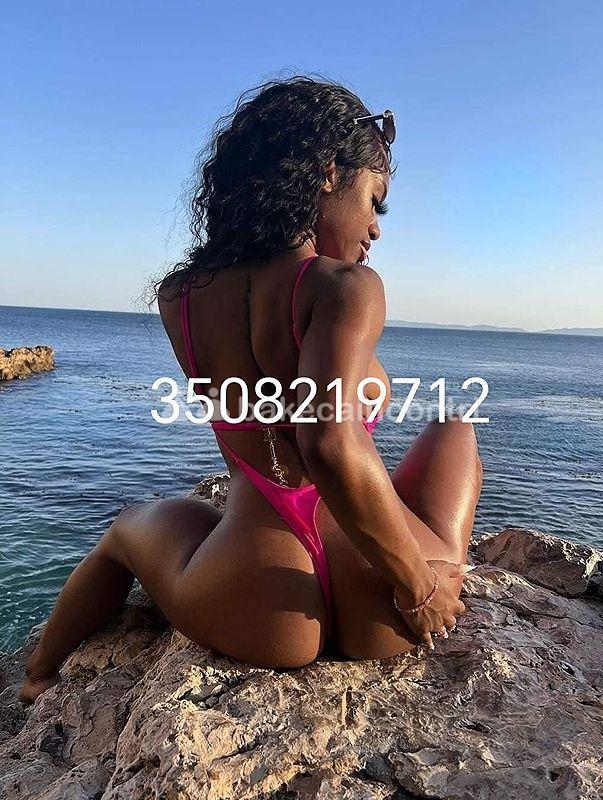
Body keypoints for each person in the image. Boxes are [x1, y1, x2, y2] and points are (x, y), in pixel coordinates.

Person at [19, 76, 483, 705]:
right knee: (456, 428)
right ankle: (440, 564)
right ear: (327, 174)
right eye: (375, 202)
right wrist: (418, 589)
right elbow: (330, 444)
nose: (376, 229)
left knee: (128, 530)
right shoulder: (344, 288)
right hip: (379, 598)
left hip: (260, 599)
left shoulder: (181, 297)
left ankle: (38, 675)